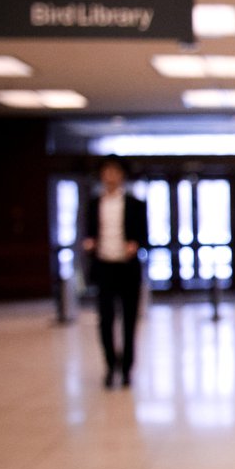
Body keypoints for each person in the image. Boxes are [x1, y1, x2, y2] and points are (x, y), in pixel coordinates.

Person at [82, 158, 148, 389]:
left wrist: (136, 244)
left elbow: (144, 237)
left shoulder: (135, 204)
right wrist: (89, 243)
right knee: (106, 321)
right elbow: (87, 232)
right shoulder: (93, 204)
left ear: (122, 175)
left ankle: (127, 368)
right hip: (104, 268)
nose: (110, 176)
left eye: (114, 172)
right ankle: (110, 366)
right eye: (106, 172)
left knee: (129, 321)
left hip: (127, 269)